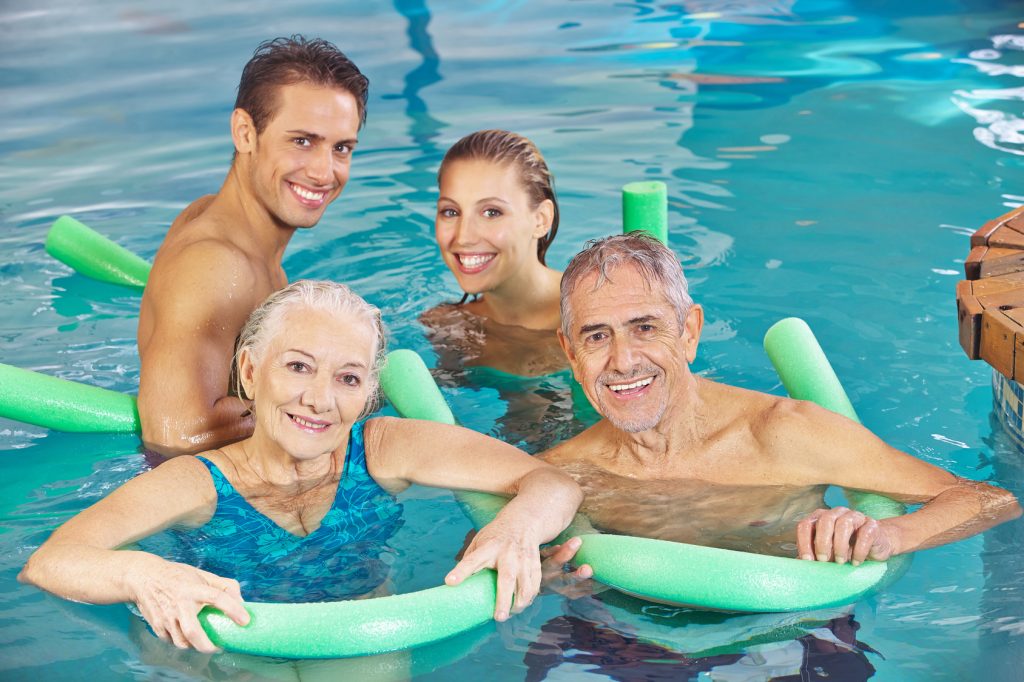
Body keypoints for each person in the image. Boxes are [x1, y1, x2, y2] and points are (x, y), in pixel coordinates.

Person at [21, 280, 583, 654]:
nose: (319, 400)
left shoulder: (384, 449)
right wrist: (145, 574)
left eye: (348, 378)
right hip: (231, 650)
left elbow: (552, 483)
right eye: (298, 366)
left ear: (367, 395)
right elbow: (50, 562)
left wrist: (515, 530)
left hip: (358, 633)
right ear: (250, 371)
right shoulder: (196, 483)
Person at [541, 233, 1020, 567]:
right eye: (597, 336)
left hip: (793, 632)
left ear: (689, 332)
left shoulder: (781, 435)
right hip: (630, 640)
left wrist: (885, 534)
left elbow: (988, 500)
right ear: (571, 353)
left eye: (645, 328)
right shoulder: (561, 473)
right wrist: (547, 576)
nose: (623, 361)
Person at [138, 36, 367, 456]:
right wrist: (330, 406)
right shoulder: (216, 266)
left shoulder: (215, 217)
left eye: (341, 148)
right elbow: (174, 434)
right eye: (302, 141)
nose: (324, 172)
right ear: (245, 133)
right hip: (207, 493)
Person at [421, 130, 566, 378]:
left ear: (541, 219)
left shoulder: (591, 317)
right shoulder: (449, 327)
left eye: (492, 212)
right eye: (451, 212)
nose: (463, 237)